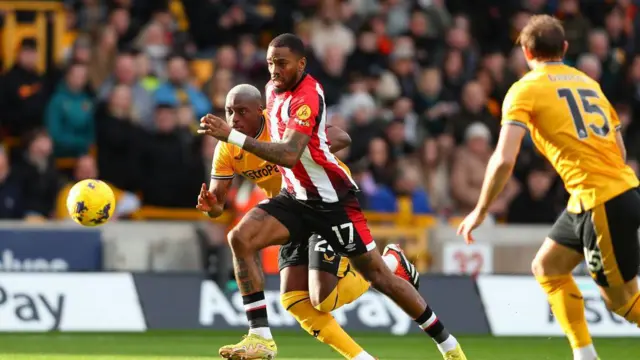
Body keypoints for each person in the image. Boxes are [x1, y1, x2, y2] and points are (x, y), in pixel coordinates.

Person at [199, 33, 466, 360]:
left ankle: (447, 343)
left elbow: (289, 155)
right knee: (245, 242)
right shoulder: (270, 94)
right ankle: (261, 338)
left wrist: (305, 147)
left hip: (330, 201)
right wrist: (213, 207)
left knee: (369, 280)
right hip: (295, 198)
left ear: (301, 64)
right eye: (270, 63)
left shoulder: (308, 97)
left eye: (281, 63)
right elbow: (222, 196)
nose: (274, 70)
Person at [457, 15, 640, 360]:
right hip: (603, 194)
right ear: (565, 48)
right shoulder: (588, 82)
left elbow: (504, 159)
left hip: (600, 199)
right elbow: (620, 150)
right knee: (548, 267)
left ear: (526, 51)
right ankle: (585, 355)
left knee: (623, 303)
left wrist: (480, 210)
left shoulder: (525, 89)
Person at [197, 83, 419, 360]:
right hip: (288, 215)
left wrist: (298, 151)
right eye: (230, 112)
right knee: (295, 302)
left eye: (241, 111)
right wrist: (212, 207)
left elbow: (343, 137)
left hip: (324, 204)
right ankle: (268, 339)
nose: (234, 119)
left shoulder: (282, 126)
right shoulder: (227, 150)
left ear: (261, 111)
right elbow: (217, 204)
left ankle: (389, 265)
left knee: (323, 297)